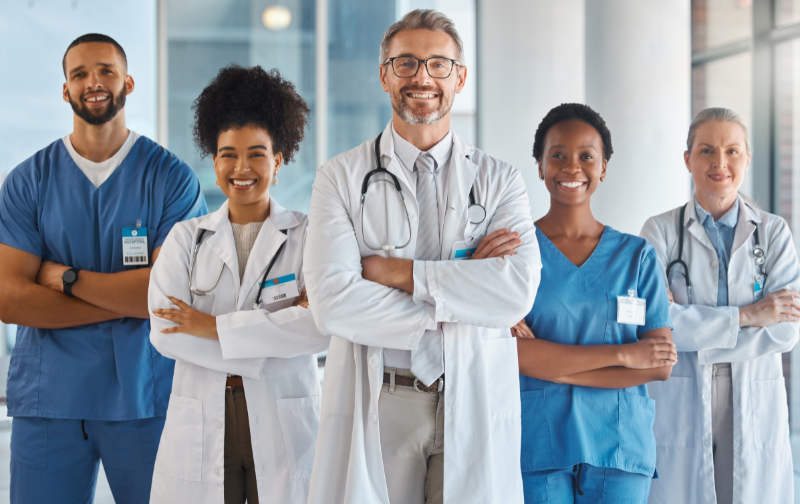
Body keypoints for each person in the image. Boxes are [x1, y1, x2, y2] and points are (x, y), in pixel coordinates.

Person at [303, 9, 541, 504]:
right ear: (385, 74)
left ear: (460, 78)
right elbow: (332, 304)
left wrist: (397, 274)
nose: (422, 78)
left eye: (438, 64)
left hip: (470, 391)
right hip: (384, 395)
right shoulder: (340, 177)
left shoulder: (499, 180)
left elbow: (515, 293)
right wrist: (464, 289)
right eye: (406, 63)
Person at [0, 34, 206, 504]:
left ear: (128, 82)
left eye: (106, 71)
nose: (93, 82)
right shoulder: (29, 182)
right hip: (50, 401)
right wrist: (126, 302)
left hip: (143, 398)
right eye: (79, 74)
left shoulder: (170, 179)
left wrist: (66, 280)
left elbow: (167, 298)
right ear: (66, 90)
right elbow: (9, 301)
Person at [148, 65, 329, 504]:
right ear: (213, 163)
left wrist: (211, 327)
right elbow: (166, 332)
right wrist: (272, 337)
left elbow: (320, 327)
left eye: (257, 153)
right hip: (206, 414)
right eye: (228, 154)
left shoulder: (309, 237)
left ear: (279, 160)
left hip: (282, 411)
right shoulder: (185, 239)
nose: (241, 167)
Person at [513, 103, 676, 503]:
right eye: (558, 156)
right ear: (539, 165)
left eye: (587, 156)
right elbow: (512, 354)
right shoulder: (517, 255)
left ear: (603, 167)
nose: (572, 168)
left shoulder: (637, 257)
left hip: (620, 447)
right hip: (540, 443)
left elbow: (658, 366)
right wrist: (625, 354)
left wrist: (550, 363)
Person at [641, 107, 800, 504]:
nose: (720, 163)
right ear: (687, 159)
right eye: (707, 150)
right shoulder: (658, 231)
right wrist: (749, 316)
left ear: (746, 159)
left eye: (732, 151)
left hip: (751, 387)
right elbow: (654, 324)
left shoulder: (774, 233)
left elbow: (784, 331)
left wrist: (690, 330)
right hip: (683, 391)